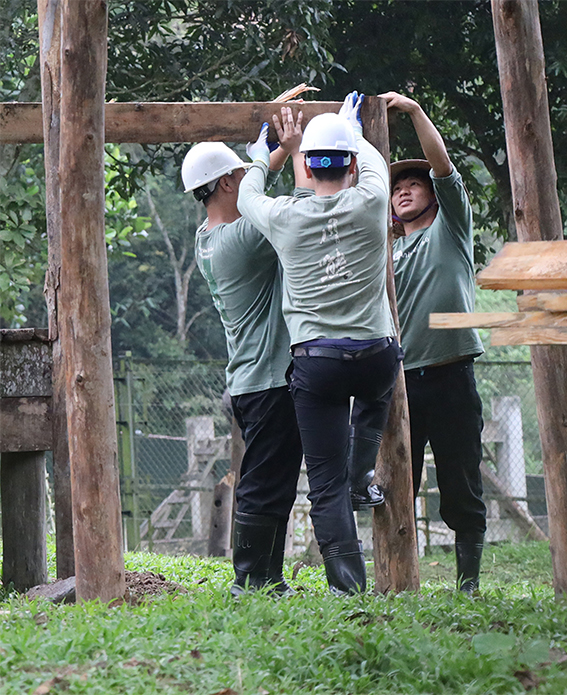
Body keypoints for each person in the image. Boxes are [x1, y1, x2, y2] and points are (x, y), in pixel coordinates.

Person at [237, 93, 397, 595]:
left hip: (318, 361)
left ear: (307, 165)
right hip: (375, 354)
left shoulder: (285, 217)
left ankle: (348, 588)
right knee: (377, 391)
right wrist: (353, 127)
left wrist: (267, 151)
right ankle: (362, 470)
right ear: (349, 164)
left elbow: (245, 197)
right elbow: (375, 163)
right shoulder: (372, 203)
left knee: (323, 486)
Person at [377, 91, 489, 593]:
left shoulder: (450, 229)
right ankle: (398, 581)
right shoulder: (386, 253)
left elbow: (445, 170)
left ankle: (468, 586)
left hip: (451, 371)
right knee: (397, 485)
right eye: (396, 186)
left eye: (413, 183)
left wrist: (417, 113)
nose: (404, 190)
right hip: (397, 382)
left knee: (460, 485)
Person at [184, 141, 297, 596]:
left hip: (250, 380)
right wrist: (280, 155)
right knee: (264, 484)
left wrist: (274, 155)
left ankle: (268, 578)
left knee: (274, 480)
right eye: (240, 173)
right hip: (269, 380)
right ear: (228, 182)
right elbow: (290, 212)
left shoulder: (206, 239)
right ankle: (249, 579)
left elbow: (251, 191)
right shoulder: (245, 239)